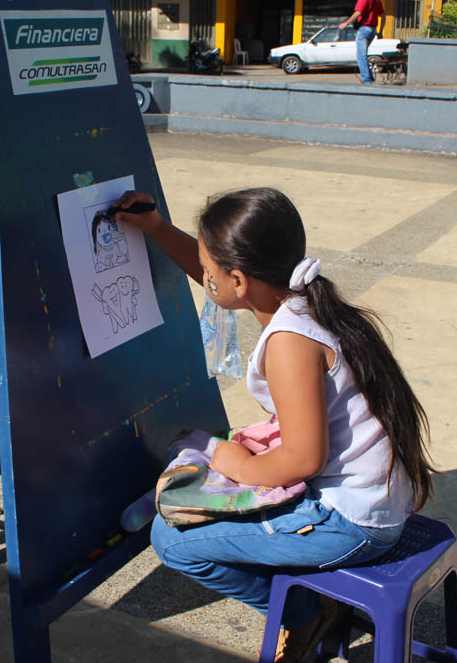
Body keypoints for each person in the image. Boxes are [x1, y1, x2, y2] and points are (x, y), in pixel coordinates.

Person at [113, 186, 435, 662]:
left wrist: (236, 462)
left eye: (208, 268)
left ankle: (305, 614)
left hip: (351, 523)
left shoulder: (289, 342)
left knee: (172, 539)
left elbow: (304, 459)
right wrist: (156, 227)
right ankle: (308, 600)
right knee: (223, 461)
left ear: (240, 280)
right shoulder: (306, 300)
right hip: (375, 498)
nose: (204, 276)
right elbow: (220, 279)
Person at [338, 0, 385, 85]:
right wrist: (381, 31)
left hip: (364, 29)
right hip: (373, 30)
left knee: (361, 55)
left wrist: (346, 23)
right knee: (363, 54)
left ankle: (367, 80)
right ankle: (369, 76)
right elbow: (383, 16)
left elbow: (358, 12)